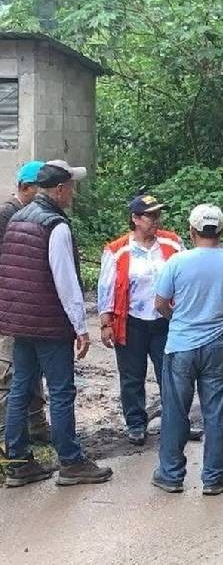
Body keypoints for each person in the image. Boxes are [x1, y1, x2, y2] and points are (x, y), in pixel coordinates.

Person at [0, 160, 113, 487]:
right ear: (60, 189)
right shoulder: (55, 226)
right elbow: (66, 283)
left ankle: (19, 462)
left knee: (21, 387)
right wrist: (80, 327)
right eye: (71, 187)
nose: (74, 193)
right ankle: (71, 461)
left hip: (21, 323)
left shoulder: (19, 217)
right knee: (62, 391)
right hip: (49, 324)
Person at [151, 204, 223, 495]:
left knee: (175, 410)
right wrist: (222, 313)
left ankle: (171, 474)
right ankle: (215, 475)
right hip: (219, 344)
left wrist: (181, 320)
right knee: (216, 410)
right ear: (222, 230)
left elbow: (160, 303)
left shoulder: (176, 262)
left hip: (181, 345)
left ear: (192, 231)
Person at [97, 194, 184, 445]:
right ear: (135, 218)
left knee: (171, 373)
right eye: (150, 215)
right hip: (132, 322)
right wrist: (106, 323)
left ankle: (176, 422)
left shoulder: (173, 244)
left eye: (158, 215)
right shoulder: (117, 250)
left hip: (166, 321)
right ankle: (136, 424)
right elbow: (106, 289)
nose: (156, 220)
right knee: (132, 377)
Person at [0, 160, 49, 448]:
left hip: (27, 307)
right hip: (10, 306)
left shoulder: (32, 213)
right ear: (25, 187)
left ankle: (37, 427)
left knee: (33, 368)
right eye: (39, 189)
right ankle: (8, 435)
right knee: (10, 371)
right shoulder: (8, 213)